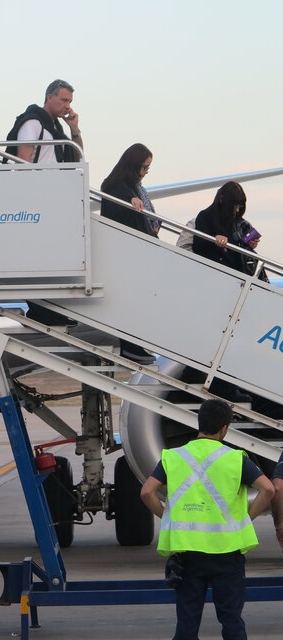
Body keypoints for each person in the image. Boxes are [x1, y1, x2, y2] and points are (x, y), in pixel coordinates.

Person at [140, 399, 274, 640]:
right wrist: (245, 519)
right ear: (225, 428)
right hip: (227, 554)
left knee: (187, 625)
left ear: (199, 424)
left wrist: (167, 518)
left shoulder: (174, 457)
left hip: (188, 554)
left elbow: (147, 491)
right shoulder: (235, 459)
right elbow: (268, 490)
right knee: (231, 621)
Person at [100, 143, 159, 363]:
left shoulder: (133, 187)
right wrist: (130, 200)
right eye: (144, 168)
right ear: (133, 166)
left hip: (136, 254)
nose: (145, 173)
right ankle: (131, 345)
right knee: (132, 302)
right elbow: (114, 193)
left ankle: (136, 344)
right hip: (127, 255)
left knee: (139, 301)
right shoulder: (119, 187)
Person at [192, 181, 263, 277]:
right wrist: (214, 239)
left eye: (239, 206)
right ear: (222, 200)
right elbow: (197, 245)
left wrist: (249, 244)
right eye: (235, 206)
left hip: (236, 272)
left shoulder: (239, 222)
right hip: (214, 271)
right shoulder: (205, 216)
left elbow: (239, 247)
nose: (237, 210)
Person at [5, 79, 83, 164]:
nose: (68, 106)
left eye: (69, 102)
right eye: (64, 100)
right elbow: (22, 165)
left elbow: (78, 160)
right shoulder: (32, 123)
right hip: (37, 177)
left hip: (57, 176)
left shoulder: (57, 130)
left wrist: (74, 129)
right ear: (49, 98)